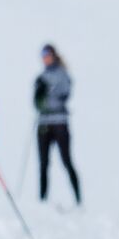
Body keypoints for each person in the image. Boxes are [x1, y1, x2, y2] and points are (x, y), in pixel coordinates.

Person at [34, 43, 81, 205]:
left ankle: (78, 200)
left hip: (59, 122)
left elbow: (64, 94)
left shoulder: (63, 74)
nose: (45, 59)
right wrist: (39, 92)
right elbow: (36, 104)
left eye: (47, 55)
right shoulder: (40, 77)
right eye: (43, 56)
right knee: (43, 163)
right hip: (43, 124)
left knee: (66, 160)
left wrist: (49, 90)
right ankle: (42, 200)